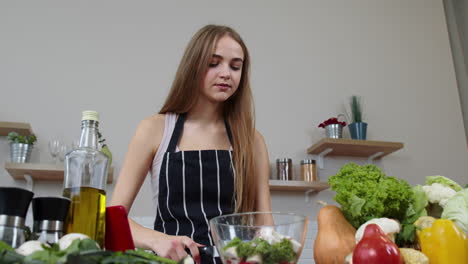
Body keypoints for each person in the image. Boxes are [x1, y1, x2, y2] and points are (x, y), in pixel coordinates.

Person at [110, 24, 272, 264]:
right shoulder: (154, 130)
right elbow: (111, 218)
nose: (226, 73)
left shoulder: (253, 141)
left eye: (235, 66)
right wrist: (157, 240)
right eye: (213, 63)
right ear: (193, 66)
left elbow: (264, 226)